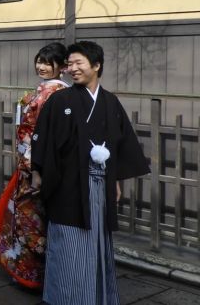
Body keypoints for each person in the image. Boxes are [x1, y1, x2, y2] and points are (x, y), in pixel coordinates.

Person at [31, 41, 150, 305]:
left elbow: (121, 143)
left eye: (78, 63)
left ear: (96, 66)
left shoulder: (110, 102)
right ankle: (63, 297)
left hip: (100, 182)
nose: (71, 69)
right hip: (66, 183)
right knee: (68, 239)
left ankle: (97, 297)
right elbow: (43, 139)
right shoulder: (60, 100)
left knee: (97, 238)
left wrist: (116, 180)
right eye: (69, 64)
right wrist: (37, 172)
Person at [0, 42, 68, 289]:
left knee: (32, 221)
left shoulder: (55, 94)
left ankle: (32, 275)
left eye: (48, 63)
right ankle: (30, 273)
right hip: (31, 161)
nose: (41, 66)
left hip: (36, 166)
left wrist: (33, 166)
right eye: (39, 61)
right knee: (28, 219)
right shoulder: (48, 91)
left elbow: (41, 133)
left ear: (61, 67)